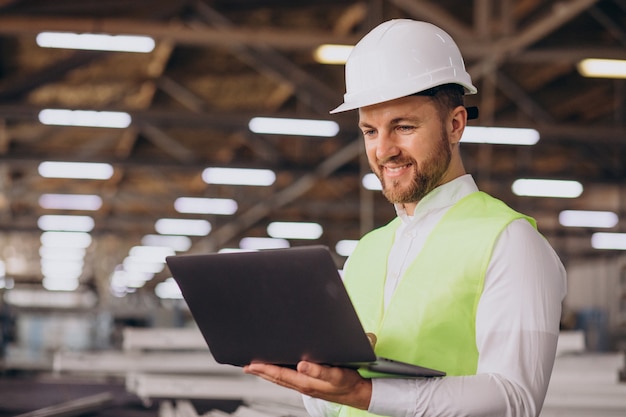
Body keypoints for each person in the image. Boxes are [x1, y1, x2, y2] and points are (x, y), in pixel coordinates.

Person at [244, 19, 567, 417]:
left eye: (404, 127)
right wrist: (317, 382)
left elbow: (514, 399)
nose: (383, 150)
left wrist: (366, 393)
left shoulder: (510, 242)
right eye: (369, 131)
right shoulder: (366, 251)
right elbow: (335, 404)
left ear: (455, 124)